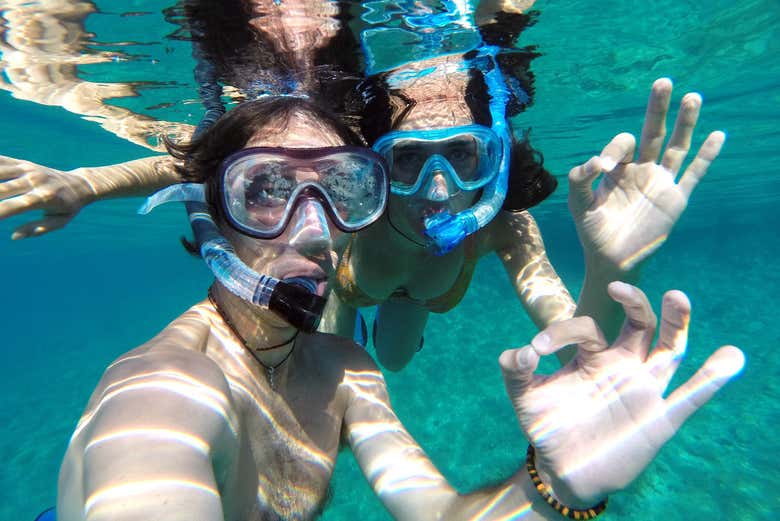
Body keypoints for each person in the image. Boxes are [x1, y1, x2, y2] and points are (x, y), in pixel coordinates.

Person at [53, 94, 744, 521]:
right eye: (264, 187)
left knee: (380, 352)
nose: (314, 225)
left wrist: (551, 490)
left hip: (372, 326)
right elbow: (147, 467)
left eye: (341, 189)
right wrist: (89, 180)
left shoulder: (347, 375)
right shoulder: (164, 389)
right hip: (358, 294)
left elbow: (444, 513)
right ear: (212, 210)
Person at [0, 2, 723, 372]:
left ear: (494, 156)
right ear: (370, 163)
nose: (437, 190)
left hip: (418, 294)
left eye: (464, 156)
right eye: (407, 161)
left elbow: (573, 332)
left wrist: (608, 271)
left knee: (401, 356)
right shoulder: (351, 196)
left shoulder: (501, 222)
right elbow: (195, 165)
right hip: (358, 282)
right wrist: (86, 182)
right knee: (334, 368)